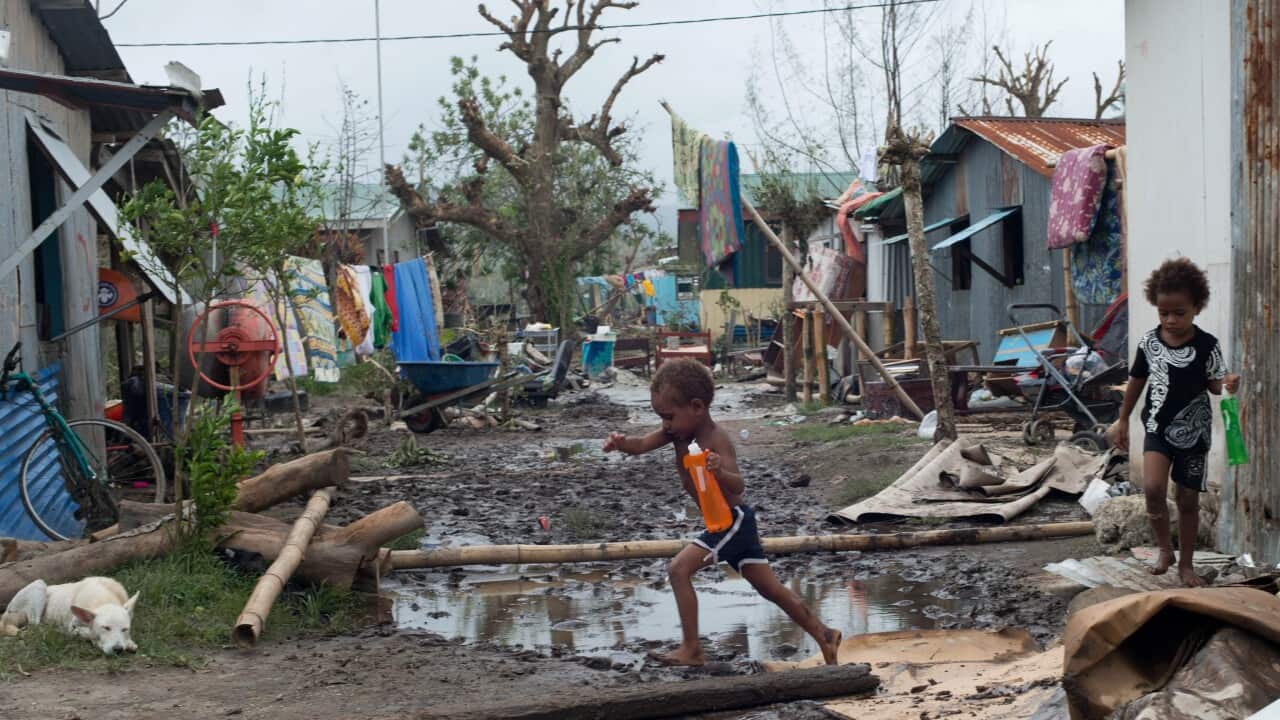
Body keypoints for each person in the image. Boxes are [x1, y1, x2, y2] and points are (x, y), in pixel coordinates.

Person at [604, 358, 842, 666]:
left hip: (731, 521)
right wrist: (621, 444)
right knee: (772, 590)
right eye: (661, 417)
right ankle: (824, 634)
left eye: (668, 416)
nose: (665, 424)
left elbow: (739, 485)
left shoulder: (716, 440)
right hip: (729, 523)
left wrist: (718, 471)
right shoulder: (676, 433)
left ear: (697, 407)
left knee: (678, 570)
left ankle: (692, 649)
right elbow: (641, 444)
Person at [1108, 258, 1240, 587]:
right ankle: (1165, 550)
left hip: (1194, 435)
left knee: (1187, 500)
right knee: (1153, 489)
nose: (1170, 320)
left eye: (1179, 313)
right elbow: (1136, 381)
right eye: (1163, 313)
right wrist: (1122, 419)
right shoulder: (1150, 344)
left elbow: (1213, 384)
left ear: (1196, 307)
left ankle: (1186, 565)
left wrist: (1227, 384)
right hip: (1157, 427)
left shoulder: (1207, 345)